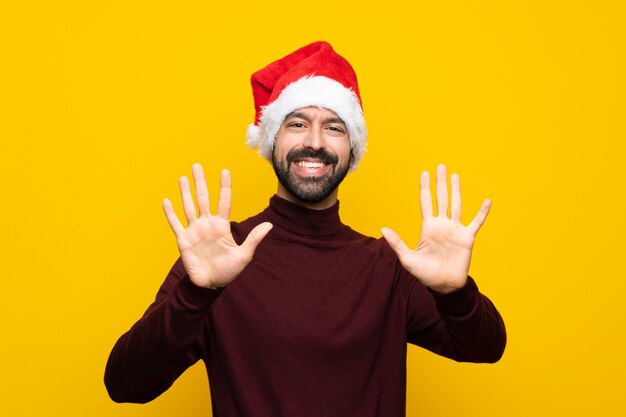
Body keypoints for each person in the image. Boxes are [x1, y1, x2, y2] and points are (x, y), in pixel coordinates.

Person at [104, 41, 506, 416]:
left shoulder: (391, 268)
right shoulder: (220, 257)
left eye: (334, 127)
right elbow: (126, 384)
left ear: (352, 151)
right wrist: (197, 293)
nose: (314, 142)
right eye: (297, 124)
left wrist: (455, 293)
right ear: (271, 139)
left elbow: (486, 349)